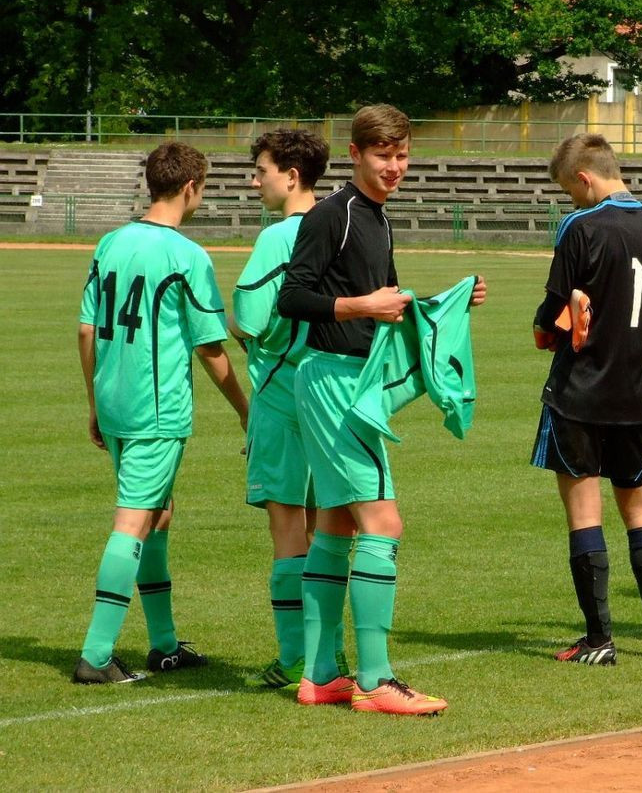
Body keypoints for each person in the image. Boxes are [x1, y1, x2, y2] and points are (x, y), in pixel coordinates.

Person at [277, 104, 486, 715]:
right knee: (383, 524)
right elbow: (293, 297)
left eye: (401, 155)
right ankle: (375, 680)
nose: (394, 166)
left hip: (349, 379)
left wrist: (451, 304)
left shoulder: (378, 218)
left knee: (339, 524)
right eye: (382, 155)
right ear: (356, 153)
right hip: (333, 382)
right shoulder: (331, 216)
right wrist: (359, 306)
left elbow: (388, 303)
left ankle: (320, 677)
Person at [75, 141, 249, 684]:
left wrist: (94, 403)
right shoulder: (186, 256)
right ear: (192, 187)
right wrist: (247, 409)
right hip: (157, 412)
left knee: (158, 514)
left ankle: (165, 645)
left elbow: (86, 329)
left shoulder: (110, 242)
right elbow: (209, 347)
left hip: (115, 403)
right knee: (133, 520)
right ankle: (97, 655)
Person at [530, 133, 642, 665]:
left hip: (577, 393)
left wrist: (555, 321)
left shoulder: (581, 226)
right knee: (639, 507)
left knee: (584, 514)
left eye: (569, 191)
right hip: (631, 395)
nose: (571, 202)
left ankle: (599, 641)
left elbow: (550, 318)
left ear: (584, 178)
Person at [229, 129, 348, 687]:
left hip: (280, 397)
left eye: (262, 170)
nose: (256, 181)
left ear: (291, 176)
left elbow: (249, 322)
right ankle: (332, 657)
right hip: (335, 399)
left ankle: (296, 660)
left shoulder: (277, 239)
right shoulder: (345, 225)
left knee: (287, 534)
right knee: (331, 531)